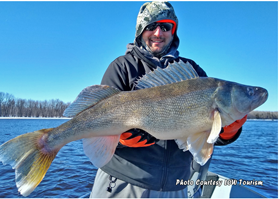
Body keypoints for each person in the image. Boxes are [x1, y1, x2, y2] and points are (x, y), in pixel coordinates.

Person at [89, 1, 247, 198]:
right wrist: (118, 140)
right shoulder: (122, 67)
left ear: (173, 32)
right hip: (123, 183)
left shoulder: (194, 72)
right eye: (150, 26)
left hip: (177, 187)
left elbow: (206, 135)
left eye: (165, 26)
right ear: (140, 31)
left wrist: (228, 131)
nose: (158, 33)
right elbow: (95, 122)